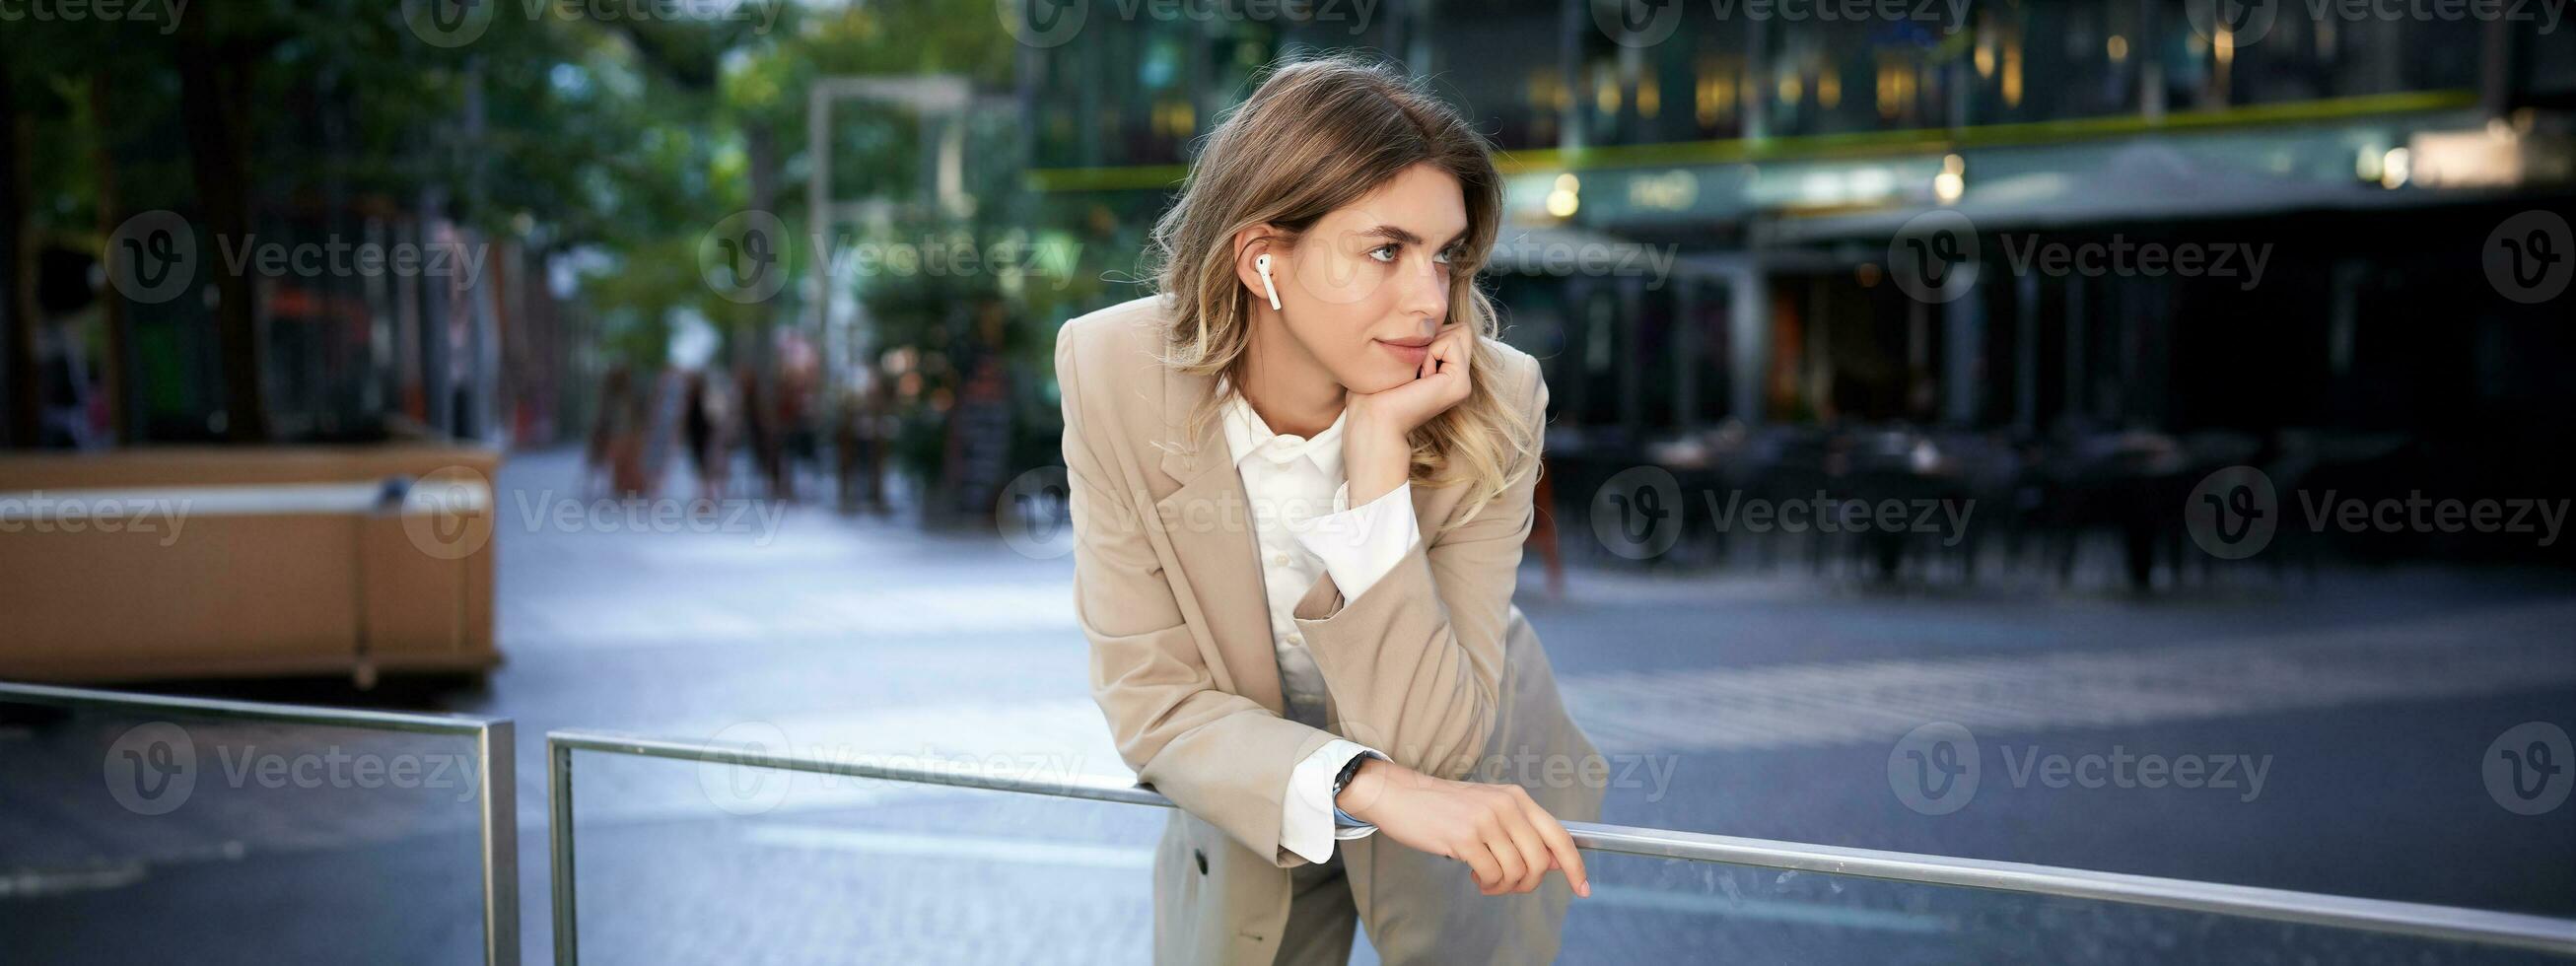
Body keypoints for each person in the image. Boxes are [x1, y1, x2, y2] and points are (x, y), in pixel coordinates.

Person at [1055, 53, 1604, 965]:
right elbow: (1153, 702)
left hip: (1470, 819)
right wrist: (1362, 783)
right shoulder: (1112, 370)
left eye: (1445, 255)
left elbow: (1437, 744)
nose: (1430, 301)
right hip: (1245, 793)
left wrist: (1377, 459)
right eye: (1385, 250)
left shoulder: (1496, 397)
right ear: (1262, 258)